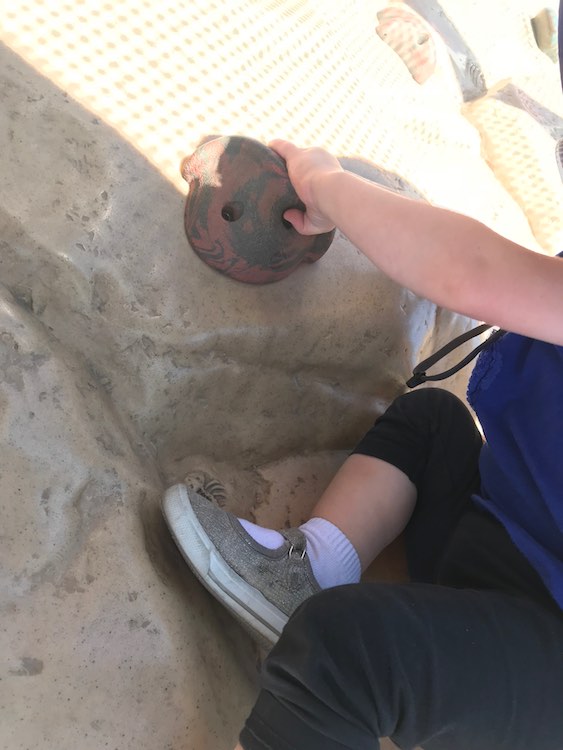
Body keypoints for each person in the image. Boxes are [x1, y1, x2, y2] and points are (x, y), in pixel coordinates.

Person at [162, 68, 563, 750]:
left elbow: (468, 270)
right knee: (431, 423)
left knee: (349, 657)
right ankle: (313, 568)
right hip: (512, 551)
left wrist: (324, 184)